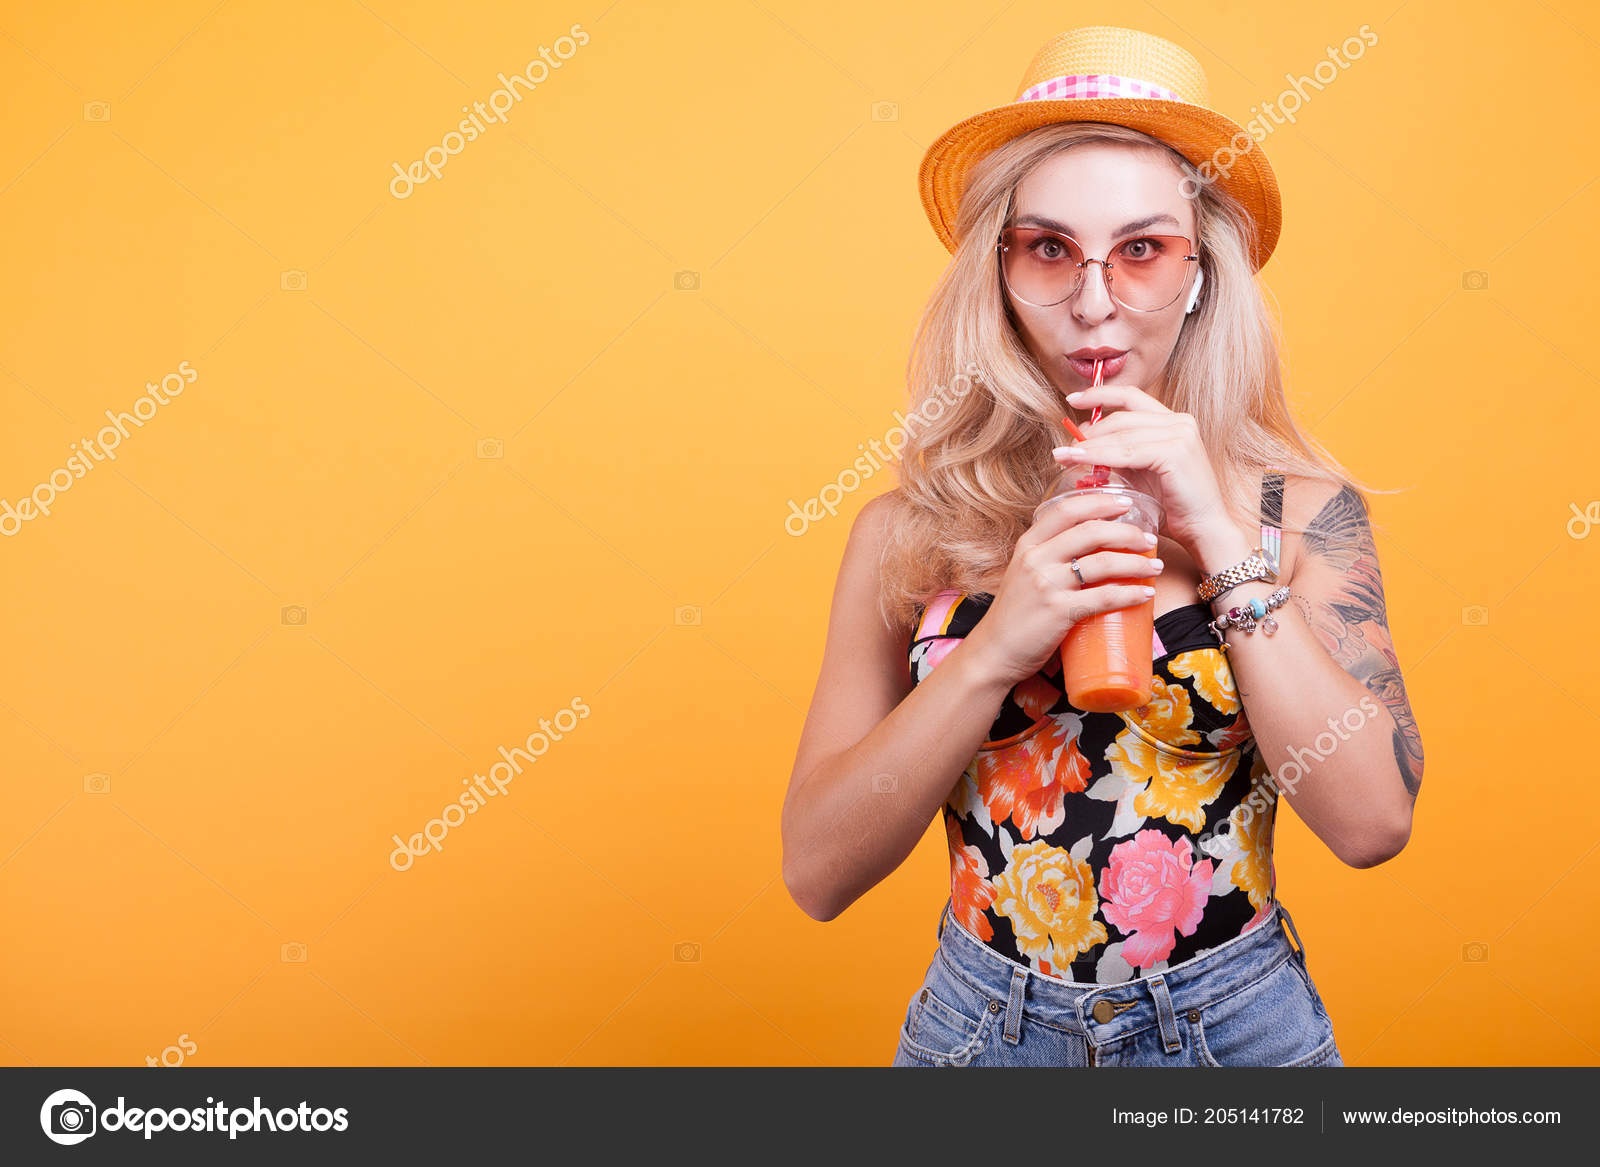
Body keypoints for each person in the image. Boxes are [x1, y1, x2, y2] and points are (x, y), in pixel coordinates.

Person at [780, 26, 1425, 1068]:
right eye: (1048, 248)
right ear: (998, 273)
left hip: (1236, 1036)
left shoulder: (1299, 515)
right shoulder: (909, 532)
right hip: (978, 1038)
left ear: (1201, 269)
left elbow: (1371, 826)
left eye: (1139, 249)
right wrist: (998, 645)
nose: (1092, 302)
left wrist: (1218, 536)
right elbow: (816, 874)